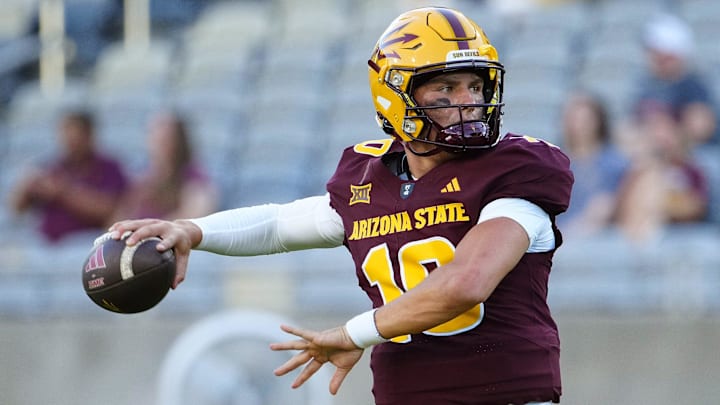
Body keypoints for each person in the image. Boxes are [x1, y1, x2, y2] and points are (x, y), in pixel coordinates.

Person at [107, 7, 573, 404]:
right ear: (396, 96)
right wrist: (193, 230)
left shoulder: (516, 168)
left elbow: (465, 283)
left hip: (506, 393)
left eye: (475, 86)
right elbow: (279, 224)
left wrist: (355, 334)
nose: (468, 103)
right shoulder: (370, 178)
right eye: (446, 89)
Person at [9, 109, 128, 243]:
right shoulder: (51, 167)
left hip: (88, 243)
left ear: (89, 135)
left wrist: (63, 193)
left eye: (76, 135)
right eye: (66, 134)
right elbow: (17, 209)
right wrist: (26, 187)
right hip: (48, 245)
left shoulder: (109, 167)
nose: (70, 142)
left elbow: (111, 210)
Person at [615, 103, 709, 242]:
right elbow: (625, 209)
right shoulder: (637, 170)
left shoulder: (690, 169)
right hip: (641, 237)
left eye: (666, 130)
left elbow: (696, 208)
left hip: (682, 237)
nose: (660, 136)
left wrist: (661, 202)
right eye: (655, 130)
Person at [109, 110, 219, 223]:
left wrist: (151, 230)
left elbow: (196, 215)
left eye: (166, 138)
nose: (158, 142)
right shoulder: (145, 179)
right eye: (153, 135)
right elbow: (121, 215)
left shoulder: (194, 177)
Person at [632, 13, 717, 148]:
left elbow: (701, 128)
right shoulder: (646, 85)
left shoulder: (694, 86)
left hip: (694, 158)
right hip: (657, 157)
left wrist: (669, 132)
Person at [557, 90, 629, 237]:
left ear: (598, 122)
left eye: (585, 120)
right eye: (574, 119)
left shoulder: (613, 163)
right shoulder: (555, 161)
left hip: (594, 239)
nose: (578, 126)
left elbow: (603, 207)